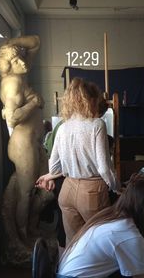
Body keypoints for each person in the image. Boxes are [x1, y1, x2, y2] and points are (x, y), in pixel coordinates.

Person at [36, 78, 120, 244]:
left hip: (67, 191)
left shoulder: (63, 127)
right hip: (92, 192)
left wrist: (61, 172)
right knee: (100, 242)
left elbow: (53, 167)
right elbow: (103, 168)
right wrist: (116, 187)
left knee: (74, 244)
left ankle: (70, 271)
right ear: (91, 100)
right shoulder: (97, 125)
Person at [0, 35, 52, 242]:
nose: (22, 62)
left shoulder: (20, 75)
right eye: (17, 60)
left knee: (46, 190)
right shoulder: (11, 84)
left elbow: (36, 41)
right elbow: (11, 119)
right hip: (23, 145)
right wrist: (33, 103)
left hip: (34, 142)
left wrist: (9, 45)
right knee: (27, 193)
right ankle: (22, 236)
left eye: (21, 57)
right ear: (9, 66)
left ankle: (31, 226)